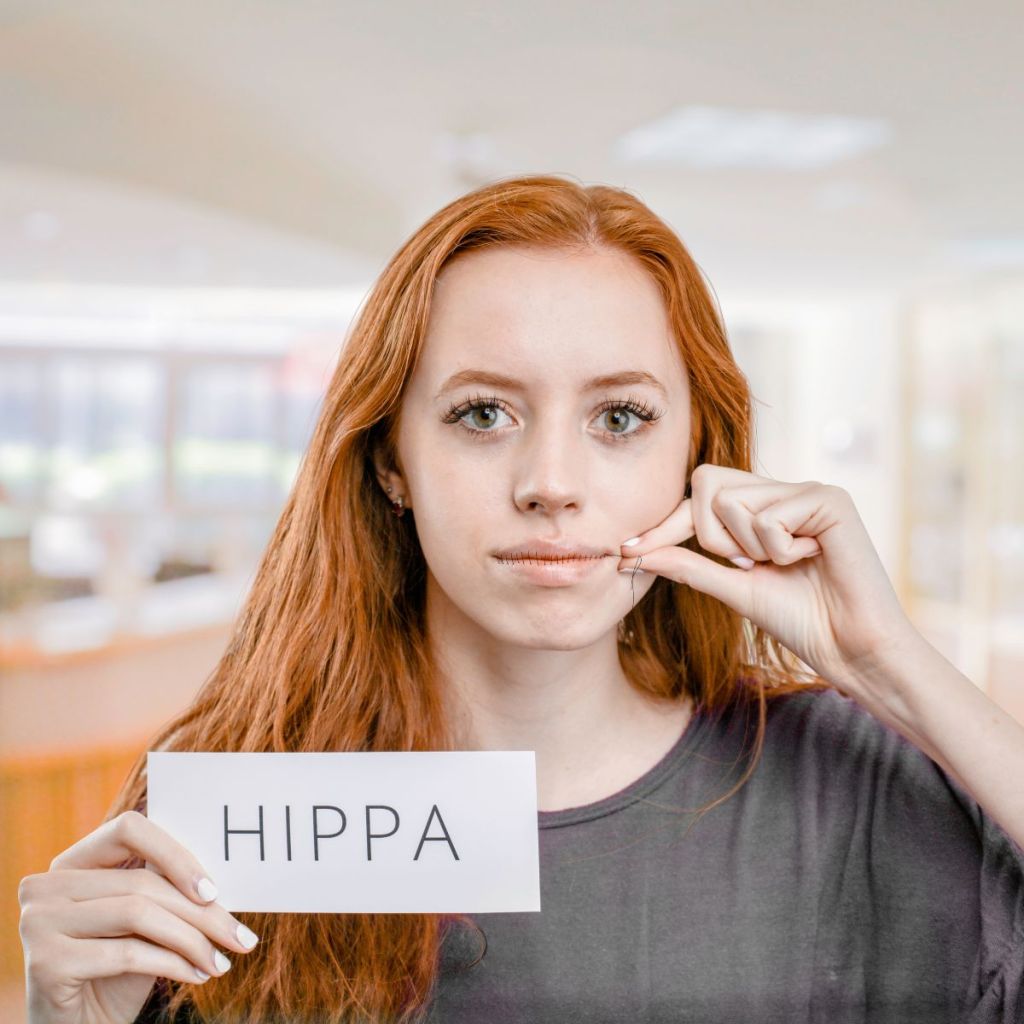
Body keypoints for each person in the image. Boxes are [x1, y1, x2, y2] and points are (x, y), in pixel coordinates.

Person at [18, 174, 1024, 1023]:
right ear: (391, 462)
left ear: (695, 455)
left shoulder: (856, 784)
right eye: (483, 413)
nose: (552, 480)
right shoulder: (225, 817)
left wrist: (892, 663)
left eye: (620, 416)